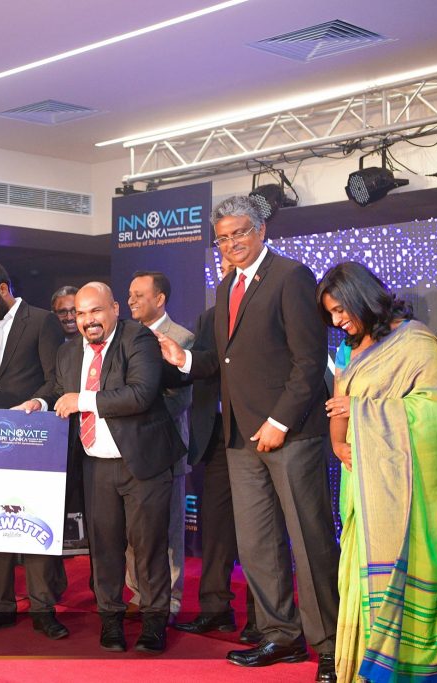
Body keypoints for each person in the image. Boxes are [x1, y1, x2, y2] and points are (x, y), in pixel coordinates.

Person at [158, 196, 339, 682]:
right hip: (239, 437)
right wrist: (183, 359)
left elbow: (309, 361)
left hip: (291, 434)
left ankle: (330, 645)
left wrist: (280, 421)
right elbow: (223, 361)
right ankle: (281, 635)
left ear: (261, 230)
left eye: (239, 232)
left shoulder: (291, 276)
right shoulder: (225, 288)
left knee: (310, 541)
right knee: (258, 544)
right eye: (222, 237)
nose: (231, 243)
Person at [319, 261, 437, 682]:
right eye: (331, 314)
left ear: (362, 298)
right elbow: (339, 405)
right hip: (364, 483)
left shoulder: (415, 341)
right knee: (359, 577)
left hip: (410, 488)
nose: (337, 321)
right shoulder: (349, 350)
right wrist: (339, 443)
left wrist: (361, 410)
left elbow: (435, 407)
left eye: (341, 310)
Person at [22, 282, 186, 653]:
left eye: (95, 310)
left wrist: (81, 400)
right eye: (80, 313)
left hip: (142, 462)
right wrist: (38, 403)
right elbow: (56, 389)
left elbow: (140, 394)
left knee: (148, 548)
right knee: (104, 550)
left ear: (114, 308)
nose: (87, 320)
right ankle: (110, 620)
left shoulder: (138, 338)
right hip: (95, 464)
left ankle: (154, 622)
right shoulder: (68, 352)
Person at [0, 259, 68, 640]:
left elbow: (56, 380)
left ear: (3, 289)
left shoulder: (41, 322)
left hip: (34, 441)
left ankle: (43, 609)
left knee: (35, 523)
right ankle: (1, 606)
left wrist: (37, 403)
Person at [174, 256, 260, 643]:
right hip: (218, 435)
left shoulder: (264, 311)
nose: (229, 271)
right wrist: (182, 361)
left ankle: (262, 619)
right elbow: (205, 369)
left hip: (259, 435)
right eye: (223, 266)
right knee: (215, 527)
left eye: (236, 265)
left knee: (260, 530)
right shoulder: (209, 318)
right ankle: (214, 609)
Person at [126, 270, 192, 621]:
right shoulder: (125, 336)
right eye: (130, 295)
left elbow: (180, 399)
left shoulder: (183, 338)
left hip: (166, 450)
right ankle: (138, 593)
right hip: (128, 449)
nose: (131, 301)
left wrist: (133, 405)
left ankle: (169, 600)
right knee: (133, 530)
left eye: (139, 295)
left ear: (160, 298)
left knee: (168, 529)